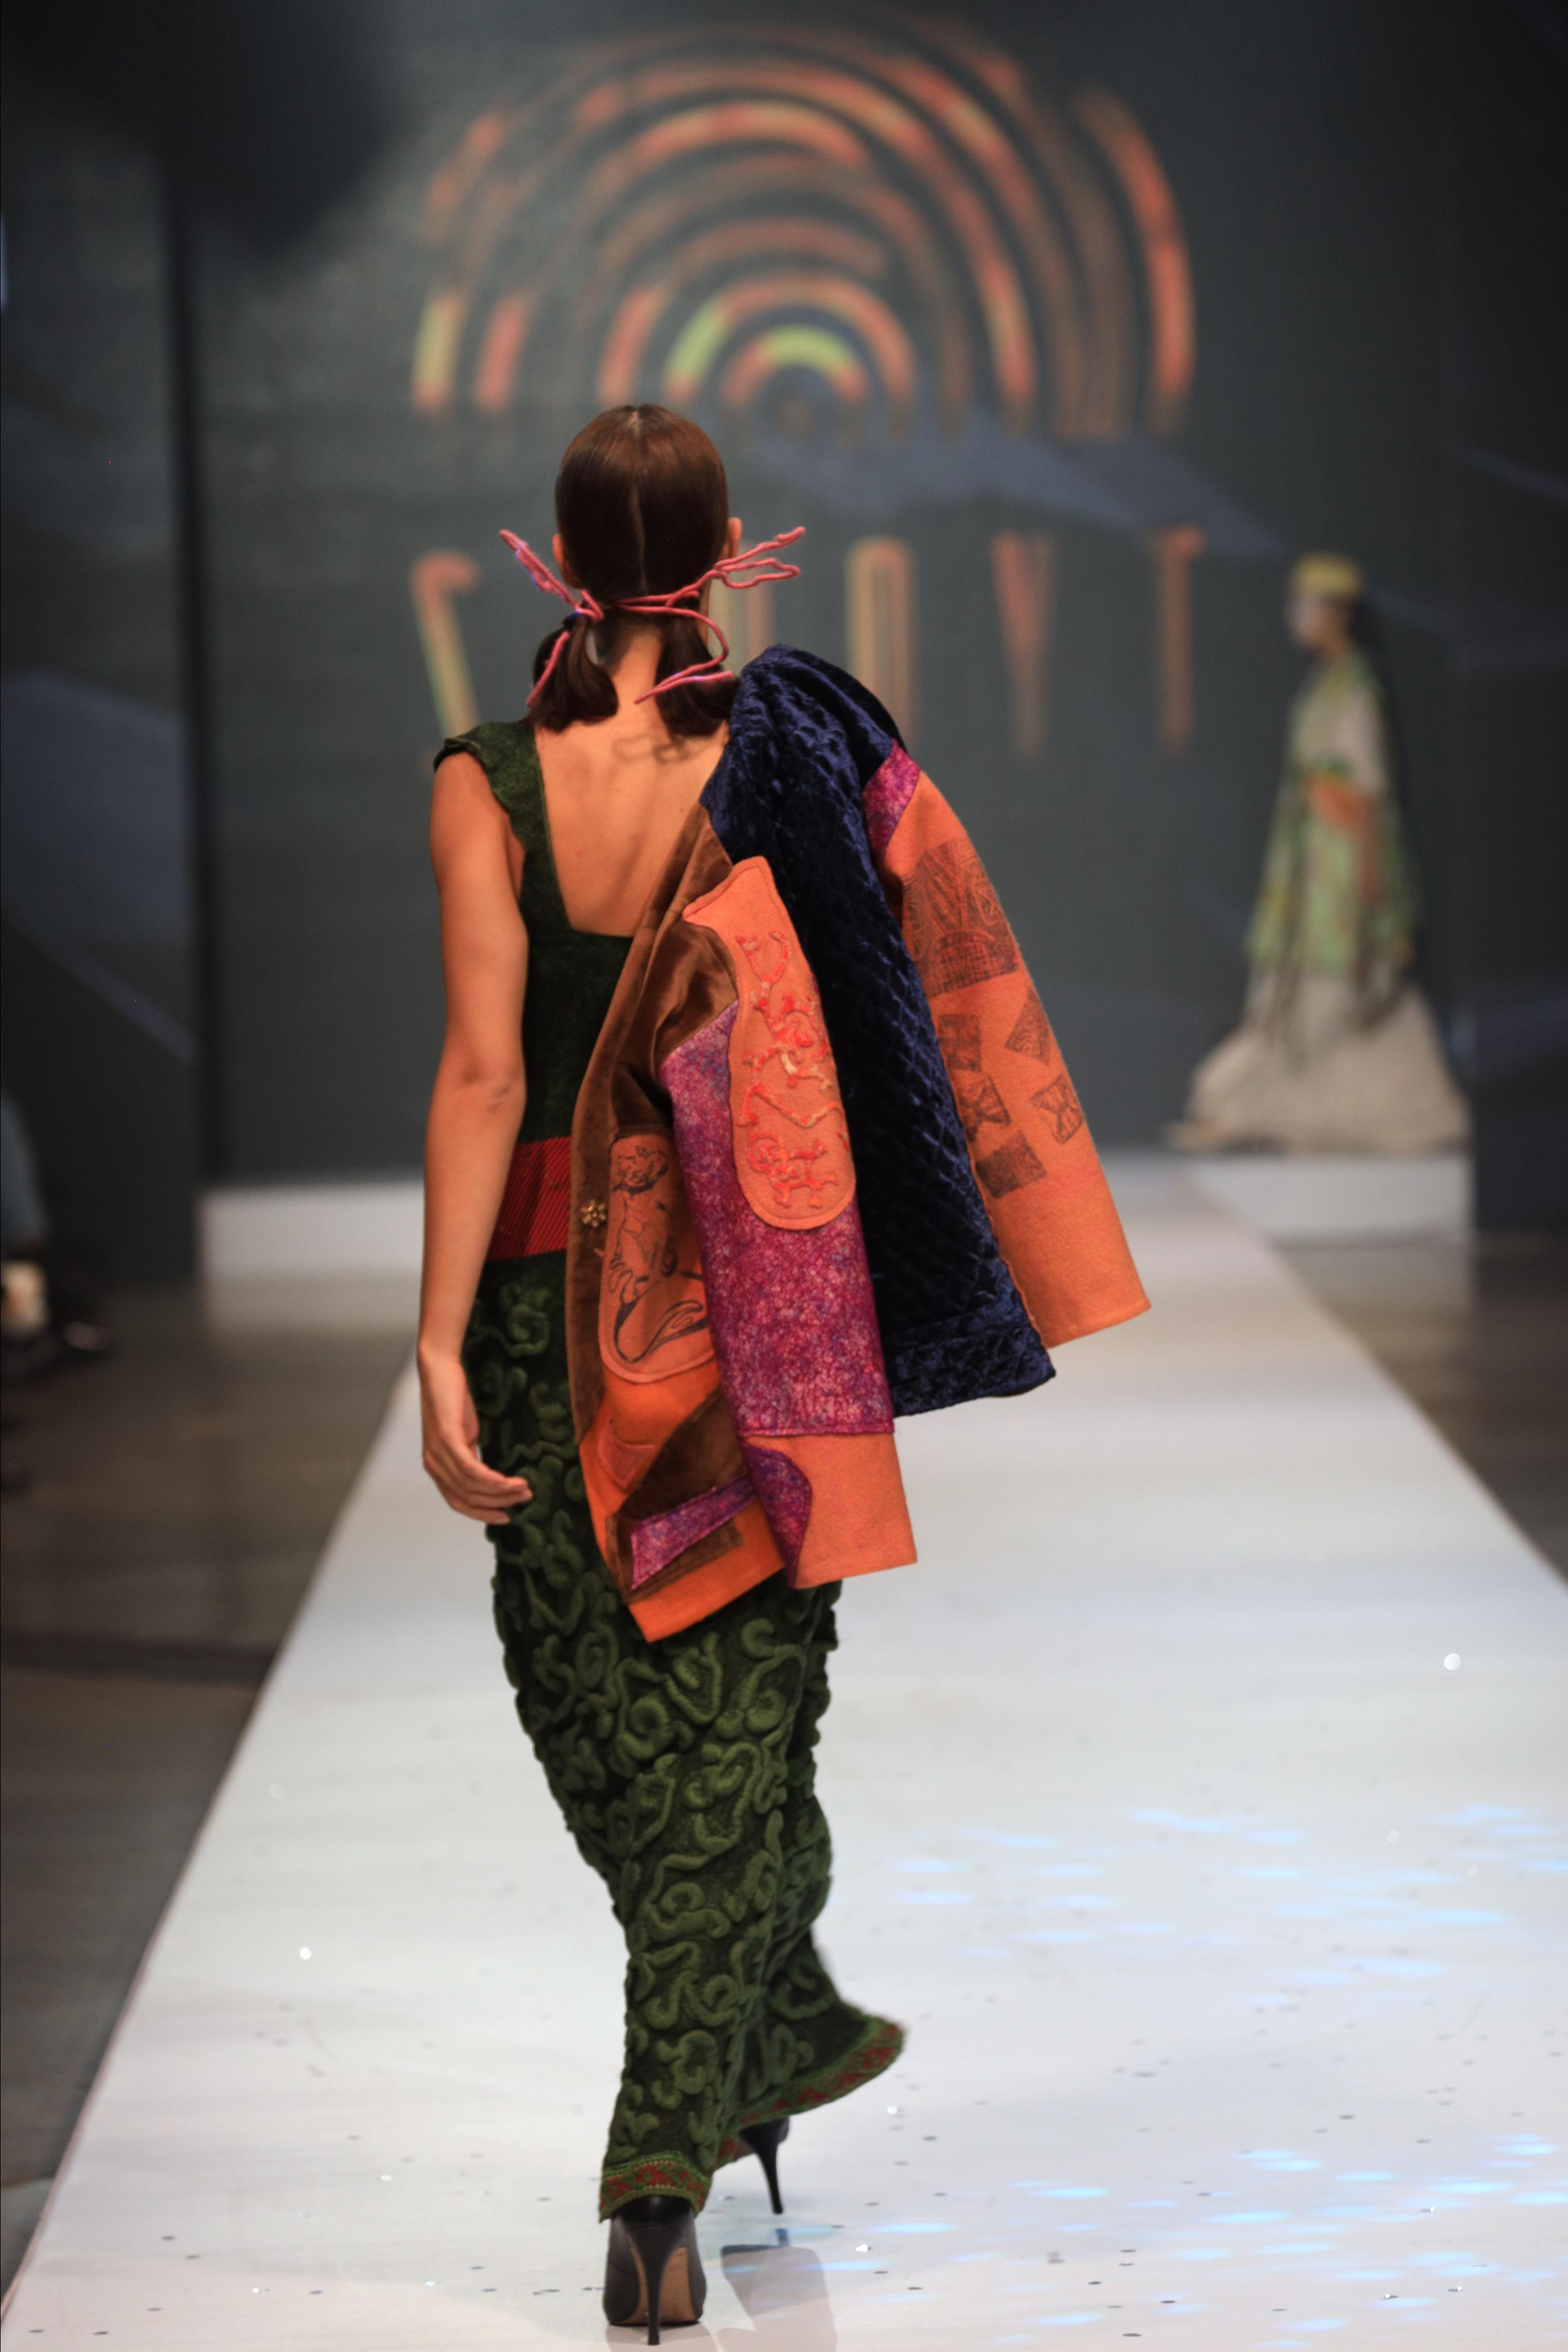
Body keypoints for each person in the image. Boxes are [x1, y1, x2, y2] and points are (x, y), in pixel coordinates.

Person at [418, 405, 1147, 2339]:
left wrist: (432, 1341)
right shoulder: (792, 754)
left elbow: (482, 1075)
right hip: (766, 1296)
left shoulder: (483, 783)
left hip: (543, 1305)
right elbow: (928, 975)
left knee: (606, 1708)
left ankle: (656, 2169)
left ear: (555, 558)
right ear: (729, 546)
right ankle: (779, 2013)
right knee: (730, 1720)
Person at [1173, 553, 1468, 1155]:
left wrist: (1368, 889)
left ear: (1338, 612)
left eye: (1306, 604)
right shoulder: (1328, 683)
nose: (1296, 616)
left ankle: (1397, 1117)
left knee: (1343, 1002)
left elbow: (1365, 797)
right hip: (1314, 872)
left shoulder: (1353, 689)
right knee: (1300, 1005)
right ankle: (1251, 1110)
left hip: (1342, 877)